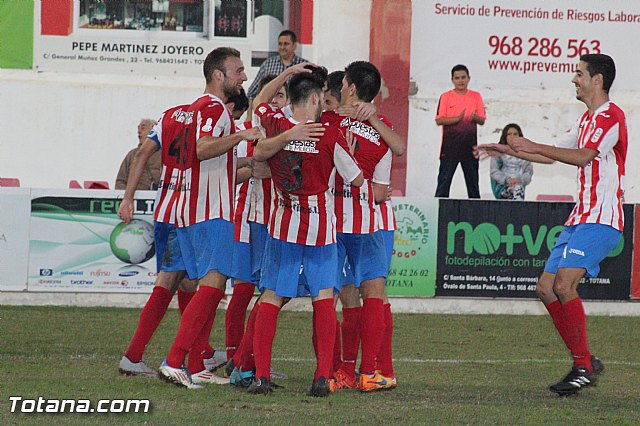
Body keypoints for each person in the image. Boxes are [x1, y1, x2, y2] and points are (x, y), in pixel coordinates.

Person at [476, 54, 625, 395]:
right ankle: (585, 359)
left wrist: (532, 145)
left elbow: (583, 156)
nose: (574, 79)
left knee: (563, 285)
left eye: (579, 74)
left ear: (597, 80)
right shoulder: (584, 120)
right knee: (545, 288)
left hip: (601, 217)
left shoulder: (610, 117)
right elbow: (553, 153)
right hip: (580, 217)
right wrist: (505, 148)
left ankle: (582, 366)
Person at [249, 67, 364, 397]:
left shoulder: (278, 125)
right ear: (315, 99)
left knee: (271, 297)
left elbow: (260, 101)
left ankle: (261, 376)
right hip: (319, 229)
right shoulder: (329, 135)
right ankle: (320, 377)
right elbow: (355, 179)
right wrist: (350, 152)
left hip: (283, 223)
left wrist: (287, 72)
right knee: (323, 299)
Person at [157, 47, 262, 389]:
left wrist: (248, 168)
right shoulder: (214, 108)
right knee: (213, 286)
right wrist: (241, 136)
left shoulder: (200, 108)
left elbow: (215, 168)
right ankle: (175, 360)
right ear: (219, 75)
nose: (243, 77)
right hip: (210, 211)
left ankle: (192, 362)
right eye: (238, 70)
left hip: (197, 208)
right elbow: (202, 149)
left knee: (208, 288)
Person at [322, 61, 398, 392]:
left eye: (342, 84)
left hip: (330, 221)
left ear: (350, 88)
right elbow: (381, 190)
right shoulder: (383, 131)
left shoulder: (327, 123)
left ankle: (335, 371)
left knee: (334, 296)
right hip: (368, 221)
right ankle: (371, 371)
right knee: (375, 294)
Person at [435, 64, 485, 199]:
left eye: (463, 77)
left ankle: (475, 216)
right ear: (452, 80)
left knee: (473, 184)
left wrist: (475, 117)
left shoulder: (476, 96)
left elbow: (482, 120)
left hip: (470, 147)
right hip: (450, 146)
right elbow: (439, 120)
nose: (460, 81)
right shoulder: (446, 96)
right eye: (457, 78)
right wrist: (457, 119)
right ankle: (439, 212)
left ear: (469, 78)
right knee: (444, 183)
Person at [246, 30, 307, 113]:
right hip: (268, 114)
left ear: (295, 46)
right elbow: (251, 92)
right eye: (280, 44)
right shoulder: (268, 64)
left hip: (295, 114)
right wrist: (249, 116)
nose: (282, 47)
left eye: (286, 44)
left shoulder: (303, 66)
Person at [115, 118, 162, 190]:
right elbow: (120, 181)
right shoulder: (132, 155)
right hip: (134, 198)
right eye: (138, 128)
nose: (139, 131)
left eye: (143, 128)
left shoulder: (164, 155)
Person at [490, 124, 533, 200]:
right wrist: (507, 180)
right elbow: (494, 171)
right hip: (502, 186)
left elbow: (528, 173)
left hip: (519, 185)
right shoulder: (498, 152)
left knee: (517, 190)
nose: (512, 136)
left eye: (515, 134)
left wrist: (520, 180)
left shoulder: (526, 153)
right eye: (509, 134)